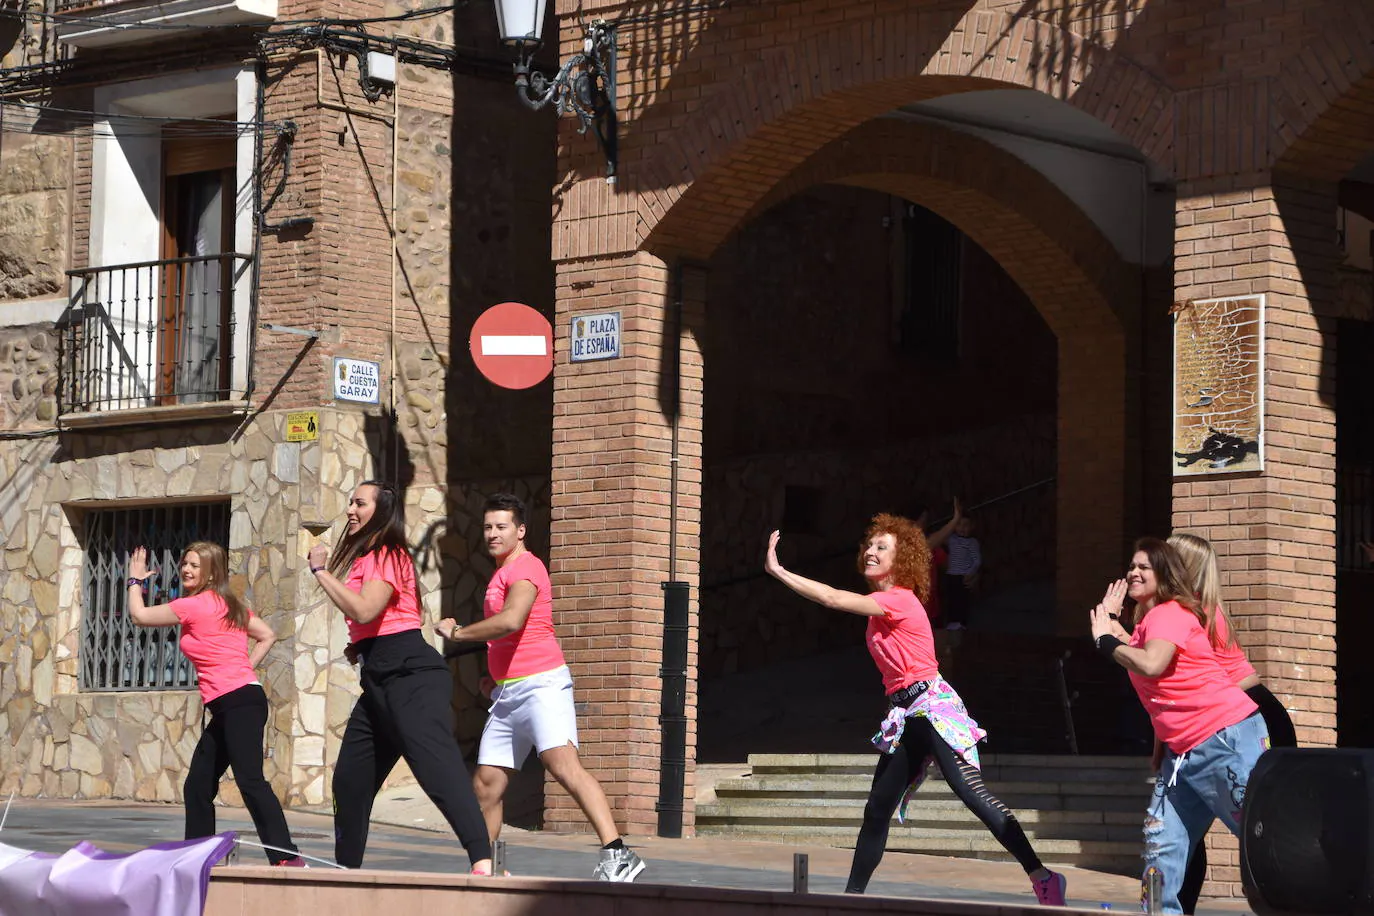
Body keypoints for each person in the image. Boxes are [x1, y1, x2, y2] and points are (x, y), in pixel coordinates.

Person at [764, 515, 1068, 904]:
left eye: (882, 547)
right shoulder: (883, 603)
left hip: (933, 709)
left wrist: (779, 571)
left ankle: (1043, 877)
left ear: (902, 559)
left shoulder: (899, 600)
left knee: (972, 794)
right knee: (876, 810)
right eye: (869, 546)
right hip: (906, 716)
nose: (871, 552)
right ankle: (851, 899)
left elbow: (832, 598)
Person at [435, 493, 646, 883]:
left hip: (542, 685)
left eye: (502, 527)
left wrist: (459, 633)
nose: (493, 534)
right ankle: (487, 868)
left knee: (562, 766)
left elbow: (512, 621)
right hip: (508, 692)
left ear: (521, 530)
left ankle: (618, 853)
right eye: (488, 527)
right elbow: (506, 638)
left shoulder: (527, 567)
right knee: (486, 784)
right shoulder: (500, 573)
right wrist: (494, 676)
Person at [308, 480, 493, 875]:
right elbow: (388, 619)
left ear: (380, 510)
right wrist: (362, 647)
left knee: (435, 767)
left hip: (411, 677)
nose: (350, 510)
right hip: (379, 679)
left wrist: (321, 572)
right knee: (349, 781)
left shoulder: (387, 552)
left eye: (359, 503)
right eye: (350, 502)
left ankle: (482, 859)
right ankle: (347, 873)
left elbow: (364, 610)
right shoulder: (370, 558)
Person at [1090, 537, 1270, 916]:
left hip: (1224, 738)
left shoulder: (1170, 612)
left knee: (1266, 836)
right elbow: (1145, 662)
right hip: (1183, 751)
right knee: (1162, 846)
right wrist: (1110, 622)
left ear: (1166, 575)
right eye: (1132, 566)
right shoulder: (1150, 622)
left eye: (1145, 568)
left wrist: (1105, 639)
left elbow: (1151, 665)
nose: (1134, 572)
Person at [126, 541, 304, 866]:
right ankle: (198, 857)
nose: (186, 570)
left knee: (250, 781)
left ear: (211, 573)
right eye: (185, 564)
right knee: (198, 785)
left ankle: (287, 857)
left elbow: (139, 616)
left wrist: (135, 581)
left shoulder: (194, 605)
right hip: (235, 702)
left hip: (237, 702)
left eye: (195, 565)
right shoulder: (231, 605)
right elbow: (266, 635)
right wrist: (244, 669)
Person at [1168, 533, 1296, 914]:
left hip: (1253, 720)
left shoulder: (1192, 616)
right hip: (1237, 719)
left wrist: (1110, 638)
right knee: (1182, 832)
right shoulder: (1185, 612)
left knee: (1261, 829)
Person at [942, 514, 980, 629]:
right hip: (951, 575)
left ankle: (962, 623)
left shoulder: (972, 542)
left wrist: (970, 572)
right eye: (959, 525)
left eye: (966, 525)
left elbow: (977, 560)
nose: (962, 528)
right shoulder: (951, 539)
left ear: (972, 527)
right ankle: (951, 622)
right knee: (951, 599)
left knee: (963, 600)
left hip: (963, 576)